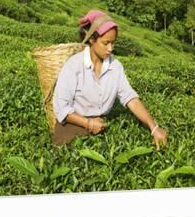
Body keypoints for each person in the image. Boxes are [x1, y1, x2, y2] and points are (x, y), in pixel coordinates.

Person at [52, 9, 168, 149]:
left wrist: (154, 128)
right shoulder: (74, 66)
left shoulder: (115, 66)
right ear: (92, 39)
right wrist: (88, 123)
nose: (110, 48)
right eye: (106, 43)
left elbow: (130, 98)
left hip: (101, 124)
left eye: (113, 43)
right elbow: (62, 108)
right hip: (73, 122)